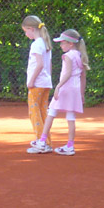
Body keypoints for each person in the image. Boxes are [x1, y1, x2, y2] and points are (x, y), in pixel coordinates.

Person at [28, 30, 89, 156]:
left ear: (70, 44)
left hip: (65, 88)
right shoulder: (79, 55)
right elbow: (83, 76)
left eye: (62, 43)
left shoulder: (68, 56)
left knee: (51, 113)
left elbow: (67, 74)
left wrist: (58, 86)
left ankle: (42, 141)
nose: (60, 45)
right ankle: (70, 146)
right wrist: (82, 93)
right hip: (75, 90)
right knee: (71, 118)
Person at [21, 15, 53, 148]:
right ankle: (46, 140)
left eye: (25, 31)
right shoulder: (45, 43)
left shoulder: (36, 44)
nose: (26, 34)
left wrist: (31, 81)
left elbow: (39, 65)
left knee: (34, 113)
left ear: (31, 29)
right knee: (43, 112)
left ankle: (41, 141)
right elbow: (48, 65)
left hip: (37, 84)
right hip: (45, 83)